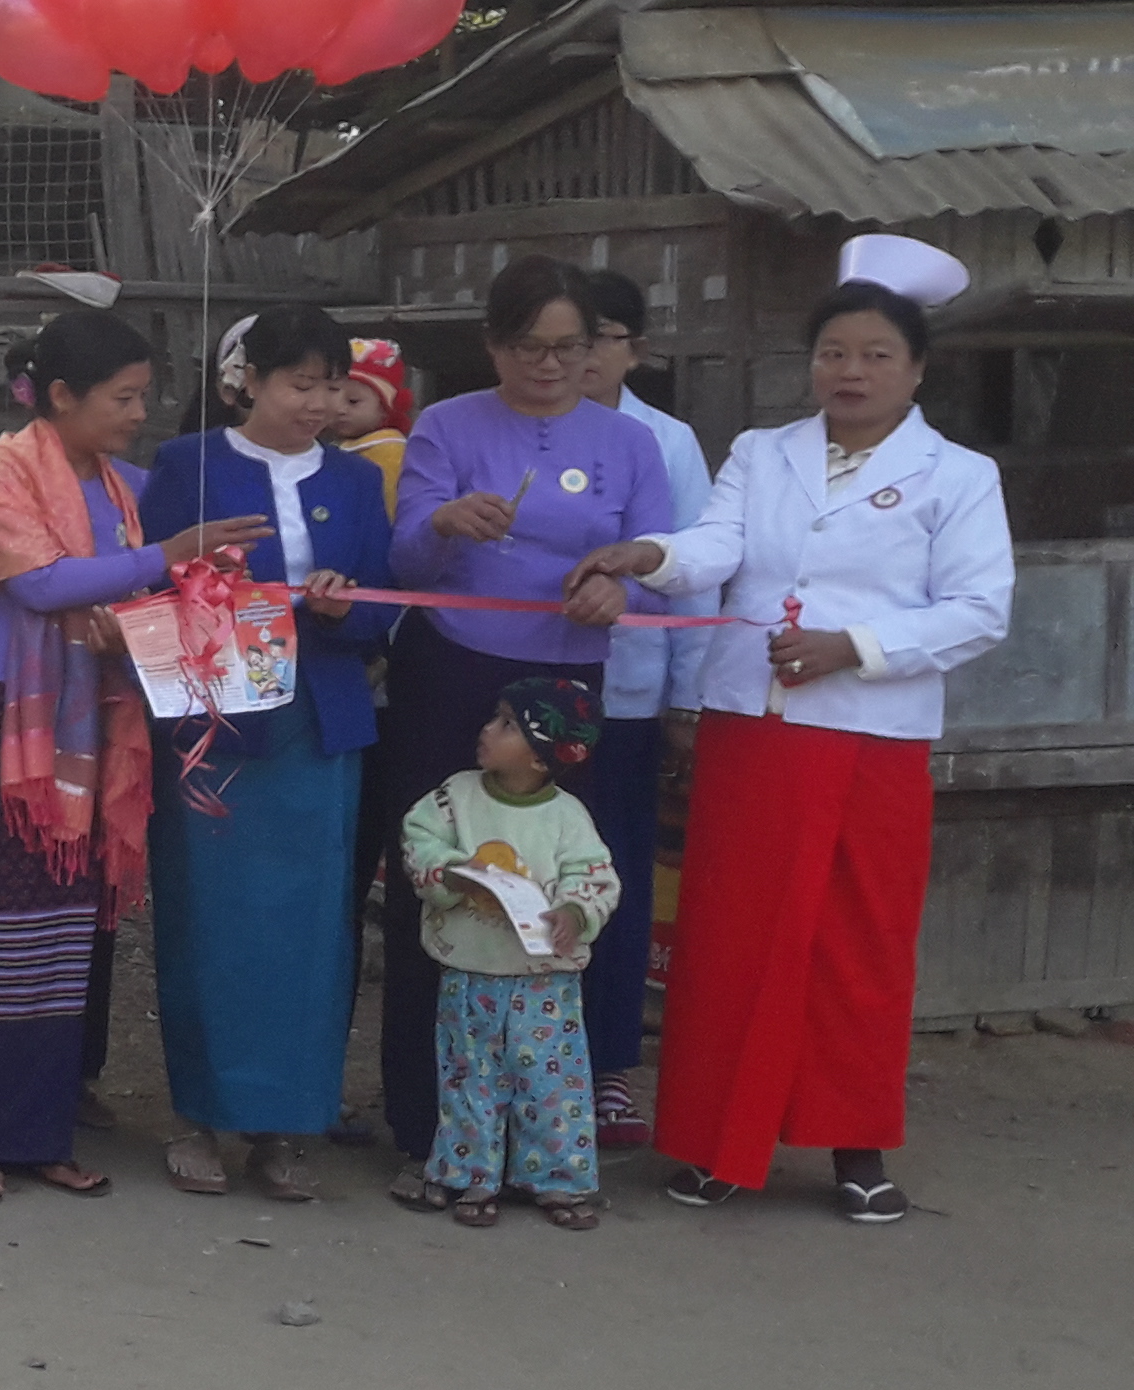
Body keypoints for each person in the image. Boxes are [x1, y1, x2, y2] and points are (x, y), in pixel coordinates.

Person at [565, 235, 1014, 1224]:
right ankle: (718, 1143)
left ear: (918, 368)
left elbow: (980, 610)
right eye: (833, 353)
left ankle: (856, 1148)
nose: (850, 372)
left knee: (858, 942)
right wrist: (649, 555)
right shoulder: (762, 454)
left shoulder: (958, 474)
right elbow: (717, 545)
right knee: (733, 939)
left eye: (876, 355)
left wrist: (855, 647)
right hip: (753, 734)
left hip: (871, 737)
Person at [0, 307, 267, 1206]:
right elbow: (40, 585)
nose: (139, 414)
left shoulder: (120, 485)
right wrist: (165, 556)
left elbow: (160, 572)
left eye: (144, 397)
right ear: (62, 395)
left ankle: (38, 1132)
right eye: (124, 397)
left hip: (80, 720)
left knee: (61, 935)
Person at [371, 259, 676, 1185]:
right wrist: (445, 524)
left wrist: (618, 589)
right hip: (451, 672)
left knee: (550, 883)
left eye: (568, 348)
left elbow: (657, 561)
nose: (548, 366)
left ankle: (539, 1124)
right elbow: (405, 560)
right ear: (493, 345)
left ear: (596, 349)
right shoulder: (445, 425)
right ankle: (423, 1120)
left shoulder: (630, 443)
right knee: (441, 877)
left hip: (567, 680)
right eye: (527, 347)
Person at [136, 306, 395, 1200]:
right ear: (247, 381)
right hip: (213, 722)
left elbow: (384, 605)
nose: (318, 402)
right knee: (206, 918)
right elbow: (148, 585)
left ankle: (287, 1125)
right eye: (300, 383)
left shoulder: (356, 480)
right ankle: (199, 1116)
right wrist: (211, 591)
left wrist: (343, 607)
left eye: (332, 385)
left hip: (318, 725)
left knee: (312, 927)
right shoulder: (188, 464)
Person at [569, 267, 713, 1151]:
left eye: (600, 338)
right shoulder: (515, 427)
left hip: (627, 696)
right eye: (566, 338)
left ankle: (610, 1068)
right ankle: (524, 1065)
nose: (581, 356)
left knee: (613, 880)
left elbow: (696, 570)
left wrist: (686, 700)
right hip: (528, 687)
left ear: (637, 351)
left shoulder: (669, 442)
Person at [396, 677, 621, 1229]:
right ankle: (468, 1175)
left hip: (545, 980)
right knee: (469, 1077)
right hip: (470, 971)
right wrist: (451, 873)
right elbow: (419, 839)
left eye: (507, 725)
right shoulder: (455, 797)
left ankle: (557, 1179)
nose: (487, 730)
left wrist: (574, 913)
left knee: (551, 1081)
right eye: (495, 718)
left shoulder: (568, 816)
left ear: (542, 759)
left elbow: (595, 876)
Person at [333, 339, 415, 512]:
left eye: (353, 401)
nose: (339, 409)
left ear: (385, 409)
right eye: (332, 398)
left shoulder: (390, 453)